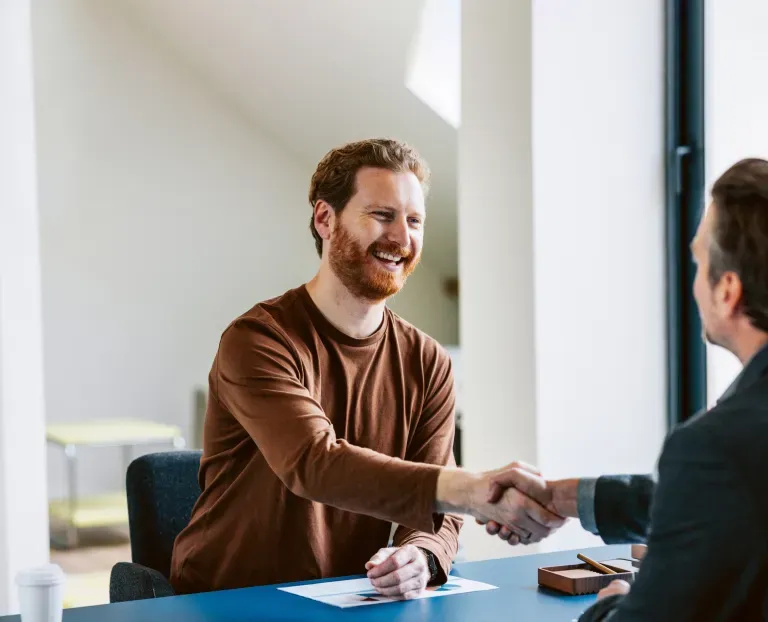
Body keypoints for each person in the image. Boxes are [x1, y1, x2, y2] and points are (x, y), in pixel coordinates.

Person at [169, 138, 564, 599]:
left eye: (414, 221)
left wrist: (421, 555)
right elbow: (314, 463)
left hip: (351, 598)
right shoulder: (258, 340)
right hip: (229, 601)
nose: (402, 238)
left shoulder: (427, 361)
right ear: (325, 219)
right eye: (382, 215)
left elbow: (439, 513)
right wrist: (474, 489)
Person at [491, 158, 768, 621]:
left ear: (727, 291)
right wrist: (563, 496)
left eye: (698, 262)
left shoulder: (714, 445)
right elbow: (723, 494)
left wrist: (610, 603)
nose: (693, 283)